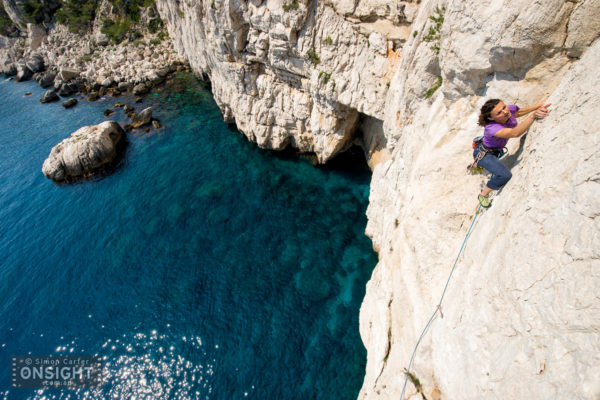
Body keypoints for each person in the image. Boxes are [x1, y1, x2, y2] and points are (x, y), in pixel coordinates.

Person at [474, 98, 550, 208]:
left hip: (495, 150)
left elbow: (518, 112)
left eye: (504, 107)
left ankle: (487, 167)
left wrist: (538, 105)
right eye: (499, 113)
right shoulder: (492, 128)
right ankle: (483, 195)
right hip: (485, 154)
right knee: (504, 175)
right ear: (491, 118)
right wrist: (533, 116)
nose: (505, 112)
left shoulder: (508, 111)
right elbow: (515, 133)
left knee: (497, 167)